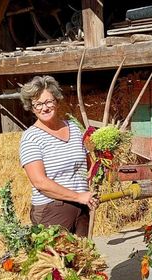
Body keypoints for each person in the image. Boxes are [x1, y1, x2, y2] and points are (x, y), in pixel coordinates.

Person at [19, 75, 98, 237]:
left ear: (57, 101)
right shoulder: (31, 137)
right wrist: (78, 196)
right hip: (52, 210)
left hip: (82, 208)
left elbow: (89, 166)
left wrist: (101, 167)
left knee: (84, 253)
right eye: (38, 104)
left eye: (49, 102)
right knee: (57, 254)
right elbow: (40, 182)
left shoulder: (74, 128)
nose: (44, 108)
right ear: (31, 108)